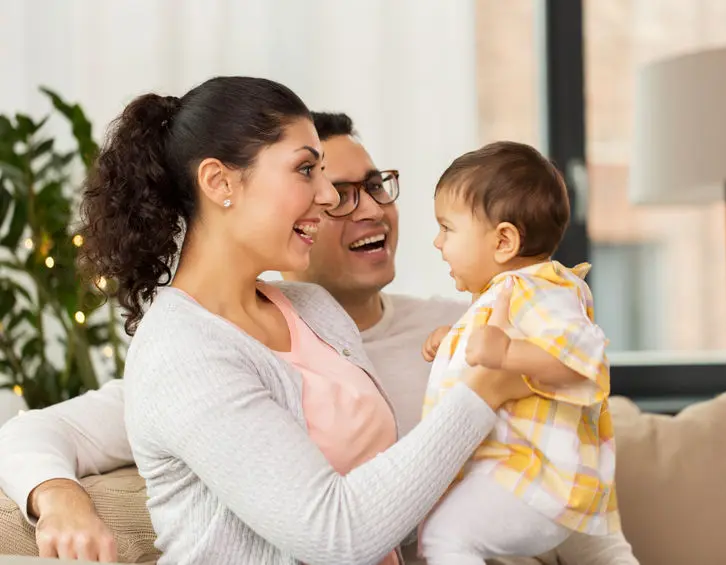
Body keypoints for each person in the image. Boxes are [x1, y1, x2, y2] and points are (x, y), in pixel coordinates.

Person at [0, 108, 638, 565]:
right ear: (226, 187)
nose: (362, 205)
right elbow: (39, 432)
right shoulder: (205, 356)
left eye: (374, 186)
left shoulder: (466, 322)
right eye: (326, 186)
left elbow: (565, 463)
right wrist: (59, 499)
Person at [418, 141, 620, 564]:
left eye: (447, 228)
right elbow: (488, 349)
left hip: (535, 477)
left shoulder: (536, 288)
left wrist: (507, 351)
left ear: (504, 241)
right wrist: (451, 341)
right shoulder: (504, 296)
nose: (437, 242)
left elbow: (581, 358)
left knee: (443, 537)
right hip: (530, 478)